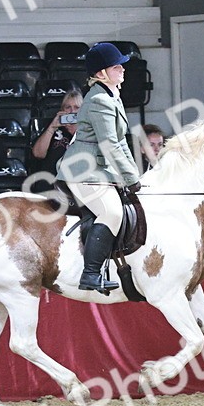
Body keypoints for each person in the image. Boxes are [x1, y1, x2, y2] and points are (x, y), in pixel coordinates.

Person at [57, 43, 141, 293]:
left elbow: (122, 142)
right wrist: (128, 177)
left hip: (99, 170)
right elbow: (109, 145)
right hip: (83, 171)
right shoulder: (99, 100)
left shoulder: (112, 96)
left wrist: (134, 176)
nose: (123, 70)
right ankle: (90, 274)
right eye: (117, 67)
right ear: (102, 72)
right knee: (112, 213)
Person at [31, 88, 82, 175]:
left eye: (76, 107)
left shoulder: (88, 129)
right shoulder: (53, 125)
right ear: (62, 109)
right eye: (68, 107)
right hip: (50, 180)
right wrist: (51, 128)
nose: (72, 111)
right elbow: (38, 154)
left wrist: (75, 133)